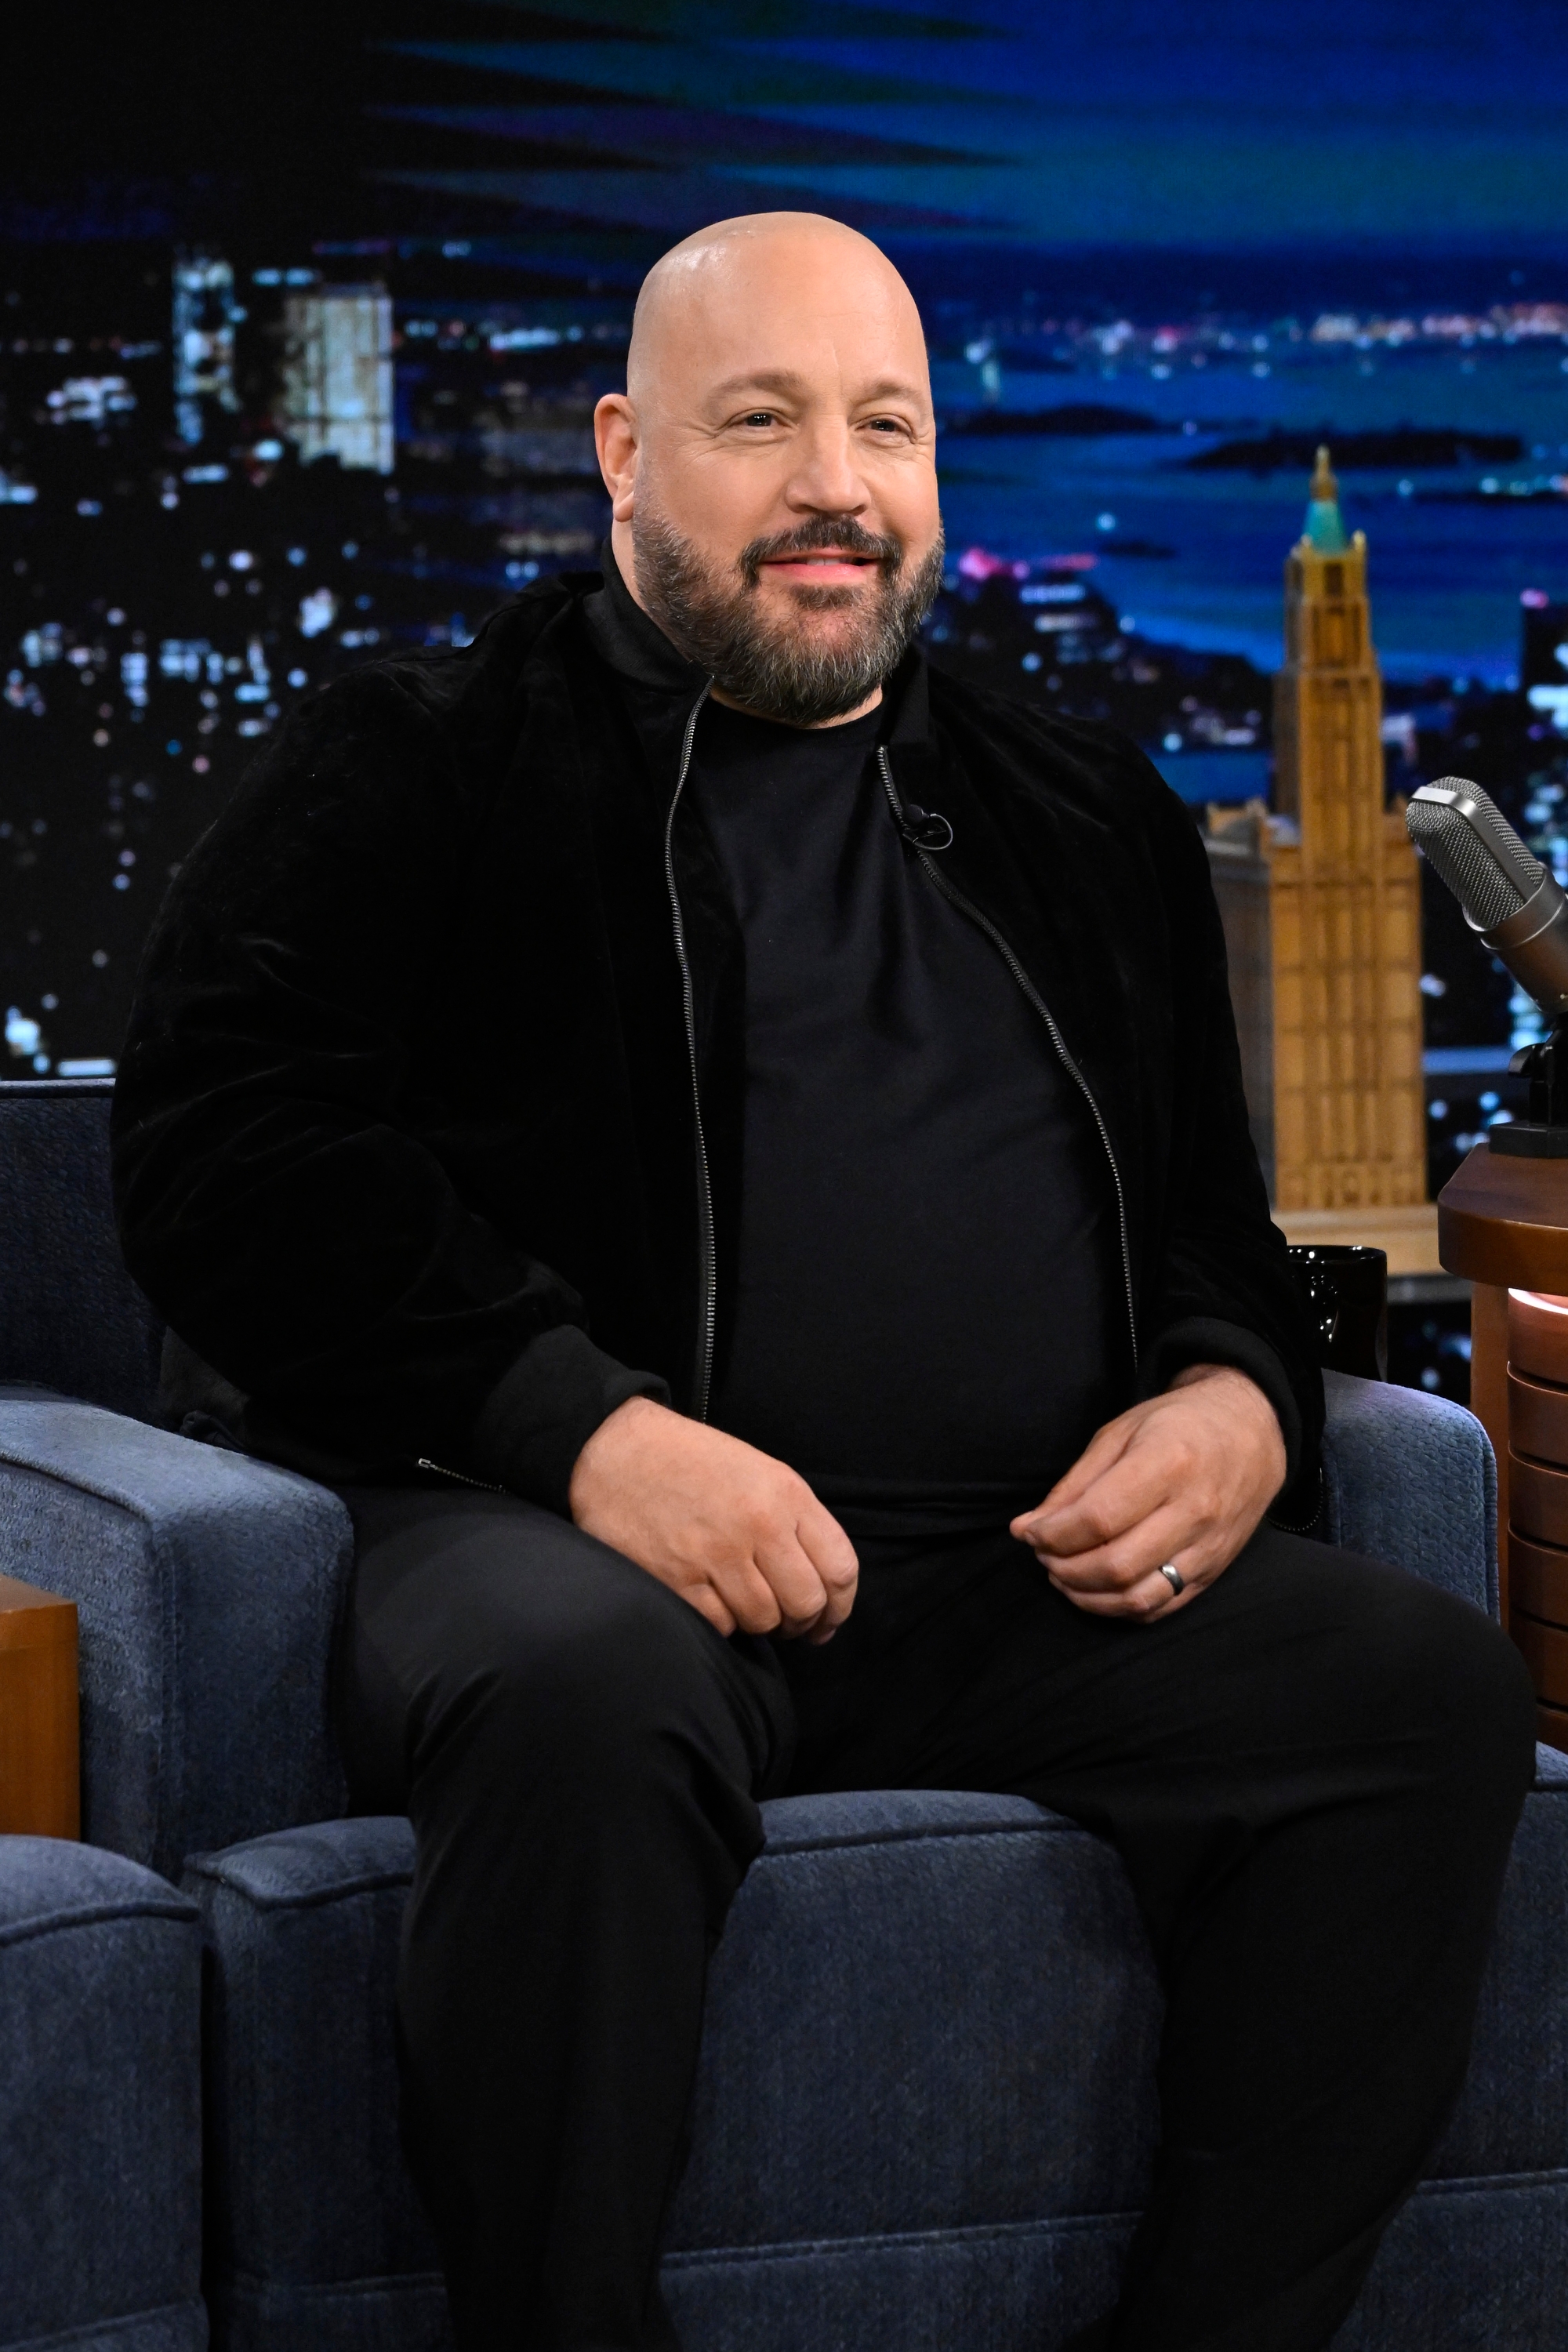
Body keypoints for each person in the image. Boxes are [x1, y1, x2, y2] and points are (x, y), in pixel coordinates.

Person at [111, 212, 1535, 2352]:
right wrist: (583, 1428)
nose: (832, 487)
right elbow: (225, 1156)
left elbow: (1207, 1225)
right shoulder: (419, 759)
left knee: (1424, 1695)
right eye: (759, 420)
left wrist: (1236, 1391)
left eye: (885, 425)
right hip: (539, 1535)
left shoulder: (1086, 808)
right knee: (584, 1698)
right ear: (621, 451)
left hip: (1006, 1578)